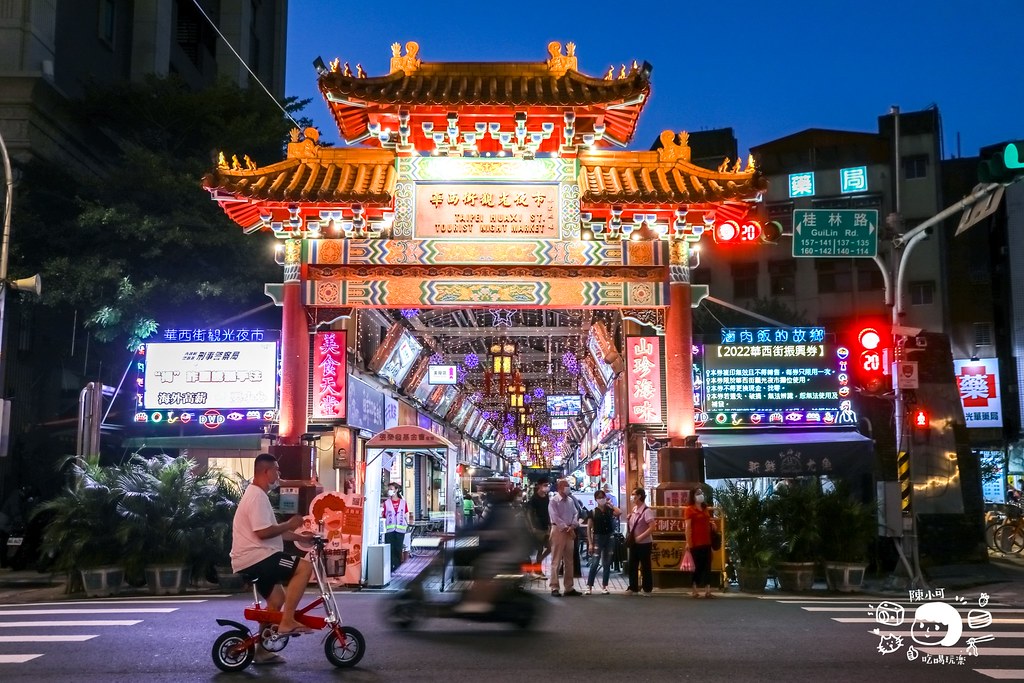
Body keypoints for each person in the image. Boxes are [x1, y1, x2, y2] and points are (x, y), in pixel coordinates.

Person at [231, 453, 315, 665]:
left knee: (276, 600)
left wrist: (299, 537)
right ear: (266, 472)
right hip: (258, 558)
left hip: (258, 557)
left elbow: (273, 531)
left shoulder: (259, 495)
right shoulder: (257, 497)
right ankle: (287, 621)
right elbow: (263, 533)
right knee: (303, 568)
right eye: (276, 470)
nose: (279, 475)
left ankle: (261, 651)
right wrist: (290, 524)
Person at [453, 479, 532, 614]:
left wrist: (461, 532)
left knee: (484, 566)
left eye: (489, 491)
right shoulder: (499, 506)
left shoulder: (502, 508)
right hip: (502, 547)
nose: (486, 495)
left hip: (507, 551)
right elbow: (482, 527)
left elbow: (484, 528)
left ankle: (478, 602)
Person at [548, 478, 582, 597]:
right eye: (566, 485)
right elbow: (555, 517)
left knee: (569, 560)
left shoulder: (570, 501)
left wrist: (573, 525)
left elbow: (575, 513)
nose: (568, 487)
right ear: (559, 487)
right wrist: (565, 527)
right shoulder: (553, 501)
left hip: (569, 531)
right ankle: (554, 587)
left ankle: (569, 587)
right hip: (558, 531)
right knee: (556, 560)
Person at [684, 486, 718, 598]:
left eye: (701, 493)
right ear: (693, 496)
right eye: (698, 493)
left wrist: (712, 524)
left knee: (707, 566)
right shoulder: (689, 509)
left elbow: (706, 520)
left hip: (707, 541)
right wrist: (688, 542)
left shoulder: (705, 508)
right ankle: (694, 589)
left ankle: (708, 590)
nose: (700, 495)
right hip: (696, 542)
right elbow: (688, 528)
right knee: (697, 567)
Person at [585, 489, 620, 595]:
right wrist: (590, 543)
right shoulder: (593, 512)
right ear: (596, 499)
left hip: (609, 537)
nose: (601, 499)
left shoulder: (609, 510)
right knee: (595, 562)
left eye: (603, 497)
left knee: (607, 563)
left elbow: (619, 512)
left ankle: (605, 586)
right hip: (598, 538)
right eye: (599, 497)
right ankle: (589, 586)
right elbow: (589, 529)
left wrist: (610, 504)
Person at [626, 487, 655, 596]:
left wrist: (641, 537)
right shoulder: (634, 509)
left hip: (645, 543)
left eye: (634, 494)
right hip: (634, 543)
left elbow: (652, 527)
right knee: (632, 565)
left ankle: (647, 589)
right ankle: (633, 587)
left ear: (639, 496)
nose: (632, 496)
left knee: (645, 566)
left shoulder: (647, 511)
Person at [525, 478, 551, 578]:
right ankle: (538, 570)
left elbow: (548, 511)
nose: (546, 487)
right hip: (537, 526)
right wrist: (531, 527)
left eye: (547, 485)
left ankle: (537, 563)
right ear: (539, 486)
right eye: (545, 485)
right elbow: (529, 513)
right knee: (540, 549)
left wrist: (550, 525)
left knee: (549, 547)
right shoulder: (534, 498)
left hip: (546, 526)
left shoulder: (546, 497)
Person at [382, 483, 411, 572]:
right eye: (389, 489)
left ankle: (398, 566)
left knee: (398, 549)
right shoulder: (386, 503)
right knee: (390, 549)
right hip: (389, 530)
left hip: (400, 530)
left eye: (391, 488)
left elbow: (406, 514)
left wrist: (408, 524)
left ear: (396, 490)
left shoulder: (403, 502)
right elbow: (383, 515)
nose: (389, 490)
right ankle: (391, 567)